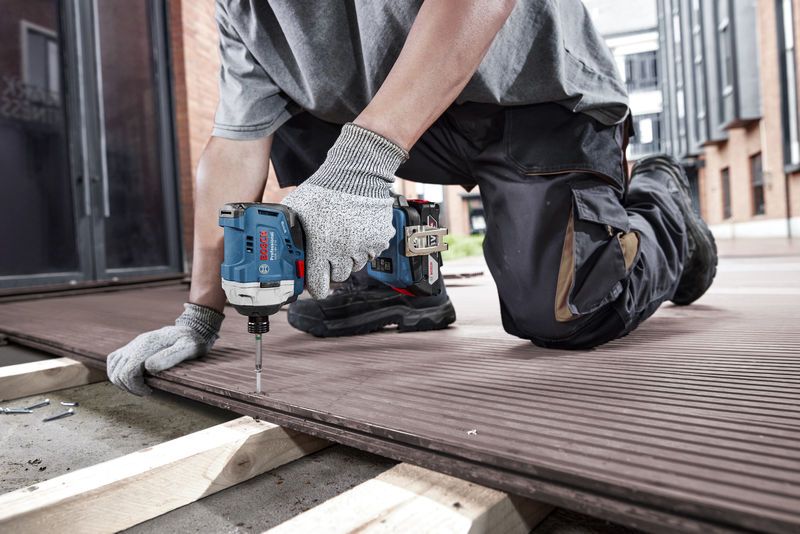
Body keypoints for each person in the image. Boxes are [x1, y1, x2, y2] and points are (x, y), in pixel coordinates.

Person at [107, 0, 717, 396]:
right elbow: (235, 146)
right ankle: (398, 278)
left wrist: (363, 162)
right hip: (420, 122)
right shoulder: (242, 13)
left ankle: (663, 207)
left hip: (537, 102)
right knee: (287, 120)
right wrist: (201, 310)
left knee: (562, 311)